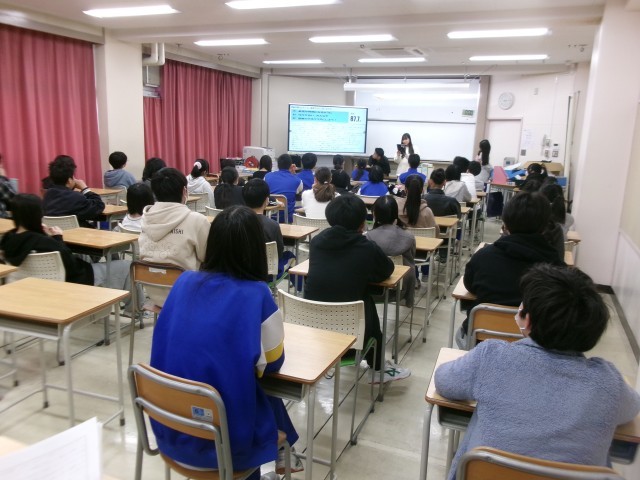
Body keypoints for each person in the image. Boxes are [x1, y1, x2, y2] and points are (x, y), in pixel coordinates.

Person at [436, 263, 640, 480]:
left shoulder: (493, 357)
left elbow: (444, 381)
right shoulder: (608, 383)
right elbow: (631, 409)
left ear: (528, 319)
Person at [149, 205, 302, 479]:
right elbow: (273, 363)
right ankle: (283, 449)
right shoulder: (257, 294)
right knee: (255, 389)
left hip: (169, 429)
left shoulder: (184, 281)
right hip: (226, 448)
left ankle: (284, 448)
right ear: (256, 249)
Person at [304, 195, 410, 383]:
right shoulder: (367, 248)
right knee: (366, 300)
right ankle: (377, 368)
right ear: (362, 223)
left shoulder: (317, 242)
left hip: (314, 330)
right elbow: (387, 270)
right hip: (353, 337)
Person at [457, 191, 565, 346]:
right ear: (544, 226)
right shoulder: (558, 269)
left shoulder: (484, 256)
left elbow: (469, 285)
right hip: (535, 346)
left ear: (505, 224)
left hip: (483, 340)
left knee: (462, 332)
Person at [2, 194, 135, 312]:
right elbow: (70, 263)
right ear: (36, 215)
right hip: (74, 283)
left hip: (32, 292)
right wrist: (57, 237)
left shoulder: (6, 240)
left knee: (84, 258)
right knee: (127, 266)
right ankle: (136, 311)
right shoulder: (43, 241)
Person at [139, 167, 210, 307]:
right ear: (184, 191)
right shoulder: (196, 220)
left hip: (153, 294)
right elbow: (208, 257)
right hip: (186, 294)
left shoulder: (146, 218)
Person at [366, 196, 417, 306]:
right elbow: (412, 260)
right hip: (400, 289)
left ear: (374, 214)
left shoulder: (368, 238)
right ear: (395, 214)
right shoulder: (409, 237)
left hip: (373, 289)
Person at [42, 155, 105, 228]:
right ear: (69, 181)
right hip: (77, 233)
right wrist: (85, 189)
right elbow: (98, 206)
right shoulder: (76, 197)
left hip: (55, 233)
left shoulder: (47, 195)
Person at [264, 154, 303, 223]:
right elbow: (298, 191)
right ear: (290, 165)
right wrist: (294, 174)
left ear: (277, 165)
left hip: (269, 217)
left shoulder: (267, 176)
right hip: (287, 218)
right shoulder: (298, 180)